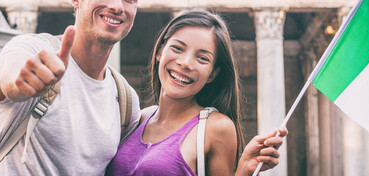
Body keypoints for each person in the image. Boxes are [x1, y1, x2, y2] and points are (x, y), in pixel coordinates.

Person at [0, 0, 286, 175]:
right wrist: (20, 81)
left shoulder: (124, 103)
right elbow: (12, 73)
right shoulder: (30, 50)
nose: (117, 4)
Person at [107, 11, 287, 175]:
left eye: (202, 58)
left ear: (213, 74)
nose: (185, 63)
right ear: (160, 51)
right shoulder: (139, 117)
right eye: (177, 48)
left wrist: (244, 169)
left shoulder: (216, 127)